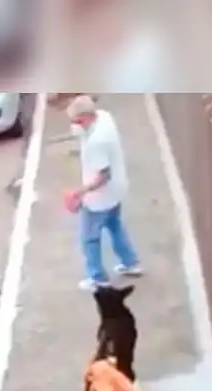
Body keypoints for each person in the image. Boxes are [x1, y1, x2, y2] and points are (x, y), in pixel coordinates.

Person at [63, 95, 143, 291]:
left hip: (99, 198)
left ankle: (97, 277)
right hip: (117, 189)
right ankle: (130, 262)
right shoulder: (105, 117)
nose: (75, 125)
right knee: (114, 226)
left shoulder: (96, 143)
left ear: (85, 118)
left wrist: (79, 192)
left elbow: (103, 175)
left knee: (89, 237)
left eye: (76, 121)